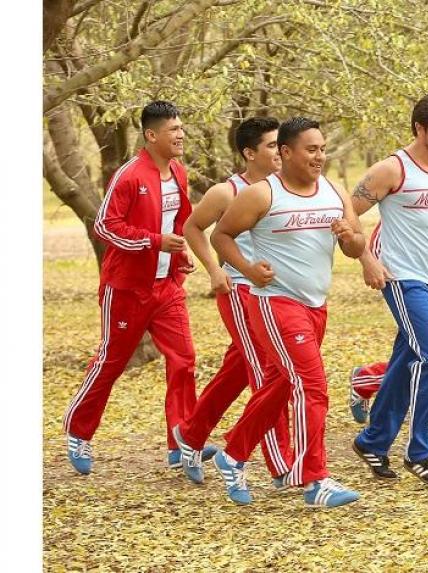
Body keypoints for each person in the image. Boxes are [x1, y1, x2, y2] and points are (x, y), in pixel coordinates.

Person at [209, 117, 365, 508]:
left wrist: (350, 238)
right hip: (276, 304)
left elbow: (357, 245)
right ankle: (314, 480)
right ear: (286, 152)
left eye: (322, 149)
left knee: (282, 385)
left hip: (316, 305)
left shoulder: (333, 190)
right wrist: (246, 269)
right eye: (310, 149)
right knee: (311, 387)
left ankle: (233, 453)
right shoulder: (262, 195)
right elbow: (220, 235)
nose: (319, 156)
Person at [349, 91, 428, 486]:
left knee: (408, 360)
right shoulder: (391, 169)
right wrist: (367, 260)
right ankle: (419, 451)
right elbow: (346, 212)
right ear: (419, 128)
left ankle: (373, 440)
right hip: (403, 278)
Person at [63, 100, 198, 475]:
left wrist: (179, 253)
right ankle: (78, 429)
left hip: (167, 287)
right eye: (173, 130)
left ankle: (182, 441)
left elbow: (176, 224)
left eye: (181, 128)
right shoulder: (129, 176)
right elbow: (105, 227)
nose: (180, 135)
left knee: (184, 360)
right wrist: (155, 242)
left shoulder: (179, 173)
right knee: (112, 361)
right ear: (151, 135)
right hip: (126, 289)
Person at [171, 117, 295, 486]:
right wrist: (215, 269)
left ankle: (190, 435)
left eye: (280, 144)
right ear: (249, 152)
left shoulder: (284, 189)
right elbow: (192, 227)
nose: (278, 152)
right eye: (272, 145)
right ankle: (281, 464)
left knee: (239, 369)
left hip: (277, 296)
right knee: (268, 374)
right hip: (240, 292)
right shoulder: (227, 192)